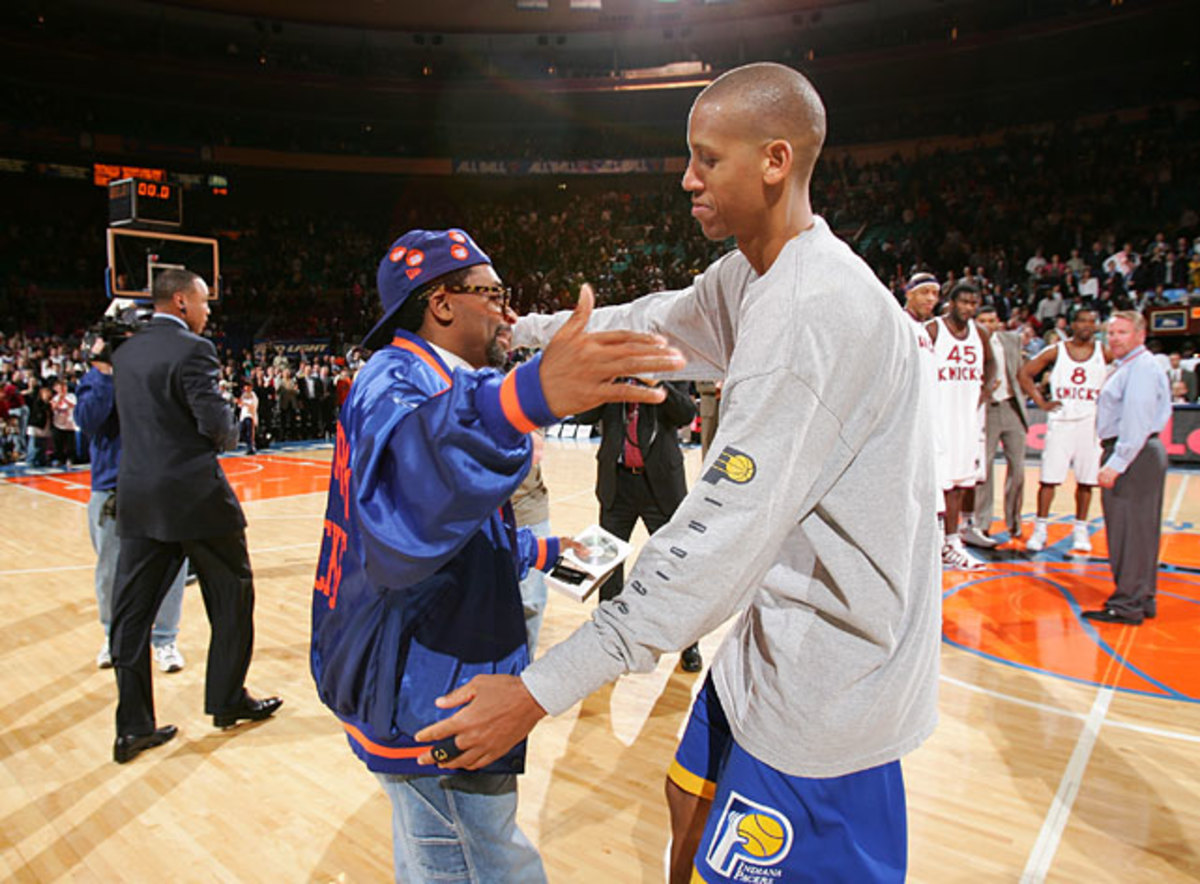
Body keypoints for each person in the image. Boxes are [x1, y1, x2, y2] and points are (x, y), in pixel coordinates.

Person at [418, 63, 941, 884]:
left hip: (831, 688)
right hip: (772, 649)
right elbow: (653, 325)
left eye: (707, 159)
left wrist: (537, 690)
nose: (687, 178)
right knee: (687, 807)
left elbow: (713, 547)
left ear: (774, 161)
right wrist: (519, 335)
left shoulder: (812, 316)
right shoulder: (756, 274)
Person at [308, 229, 684, 883]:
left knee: (447, 846)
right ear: (443, 304)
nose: (508, 313)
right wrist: (521, 398)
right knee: (475, 855)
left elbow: (443, 530)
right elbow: (412, 499)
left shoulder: (432, 377)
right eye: (493, 294)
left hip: (430, 656)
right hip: (422, 671)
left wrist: (537, 549)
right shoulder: (393, 382)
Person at [109, 268, 281, 765]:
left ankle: (132, 727)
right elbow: (219, 431)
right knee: (232, 595)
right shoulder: (194, 351)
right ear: (182, 302)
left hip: (139, 496)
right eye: (205, 303)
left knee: (131, 616)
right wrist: (230, 419)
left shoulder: (126, 352)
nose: (209, 312)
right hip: (195, 498)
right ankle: (226, 700)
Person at [75, 335, 187, 673]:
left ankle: (165, 640)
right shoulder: (95, 380)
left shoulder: (156, 371)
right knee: (110, 570)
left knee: (171, 567)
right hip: (111, 485)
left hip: (158, 482)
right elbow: (89, 420)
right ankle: (113, 637)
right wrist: (103, 372)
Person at [575, 379, 703, 672]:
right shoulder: (612, 376)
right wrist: (606, 381)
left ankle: (690, 643)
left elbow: (684, 414)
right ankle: (606, 642)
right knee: (608, 569)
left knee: (676, 567)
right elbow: (583, 416)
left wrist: (655, 383)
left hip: (660, 486)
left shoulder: (671, 369)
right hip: (616, 483)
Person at [1083, 311, 1170, 625]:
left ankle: (1127, 604)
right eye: (1111, 333)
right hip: (1140, 452)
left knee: (1129, 532)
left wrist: (1117, 462)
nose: (1114, 338)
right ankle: (1142, 596)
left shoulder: (1142, 368)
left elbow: (1136, 418)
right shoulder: (1136, 366)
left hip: (1133, 453)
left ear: (1140, 335)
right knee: (1141, 531)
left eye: (1122, 332)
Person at [1017, 308, 1110, 553]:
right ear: (1072, 324)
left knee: (1087, 481)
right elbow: (1025, 374)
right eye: (1082, 321)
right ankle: (1040, 528)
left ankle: (1081, 529)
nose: (1087, 325)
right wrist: (1042, 402)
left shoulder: (1104, 352)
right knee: (1049, 480)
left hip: (1090, 423)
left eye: (1092, 321)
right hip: (1061, 422)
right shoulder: (1056, 350)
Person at [927, 281, 995, 570]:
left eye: (973, 303)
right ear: (951, 302)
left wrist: (985, 390)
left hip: (965, 419)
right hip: (936, 418)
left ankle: (952, 542)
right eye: (964, 302)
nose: (969, 307)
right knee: (935, 484)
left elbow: (992, 365)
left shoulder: (980, 334)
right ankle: (935, 542)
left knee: (958, 483)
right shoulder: (932, 330)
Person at [968, 305, 1028, 545]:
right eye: (982, 320)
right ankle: (982, 523)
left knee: (1019, 469)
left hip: (1012, 406)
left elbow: (1023, 370)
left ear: (999, 322)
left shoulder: (1012, 340)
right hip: (988, 408)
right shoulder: (970, 342)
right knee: (985, 470)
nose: (987, 324)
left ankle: (1014, 521)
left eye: (991, 320)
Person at [237, 381, 259, 454]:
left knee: (249, 432)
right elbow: (240, 405)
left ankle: (250, 447)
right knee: (241, 431)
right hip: (243, 415)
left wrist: (245, 403)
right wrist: (239, 402)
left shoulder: (253, 395)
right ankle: (249, 444)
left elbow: (253, 406)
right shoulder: (243, 395)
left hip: (250, 415)